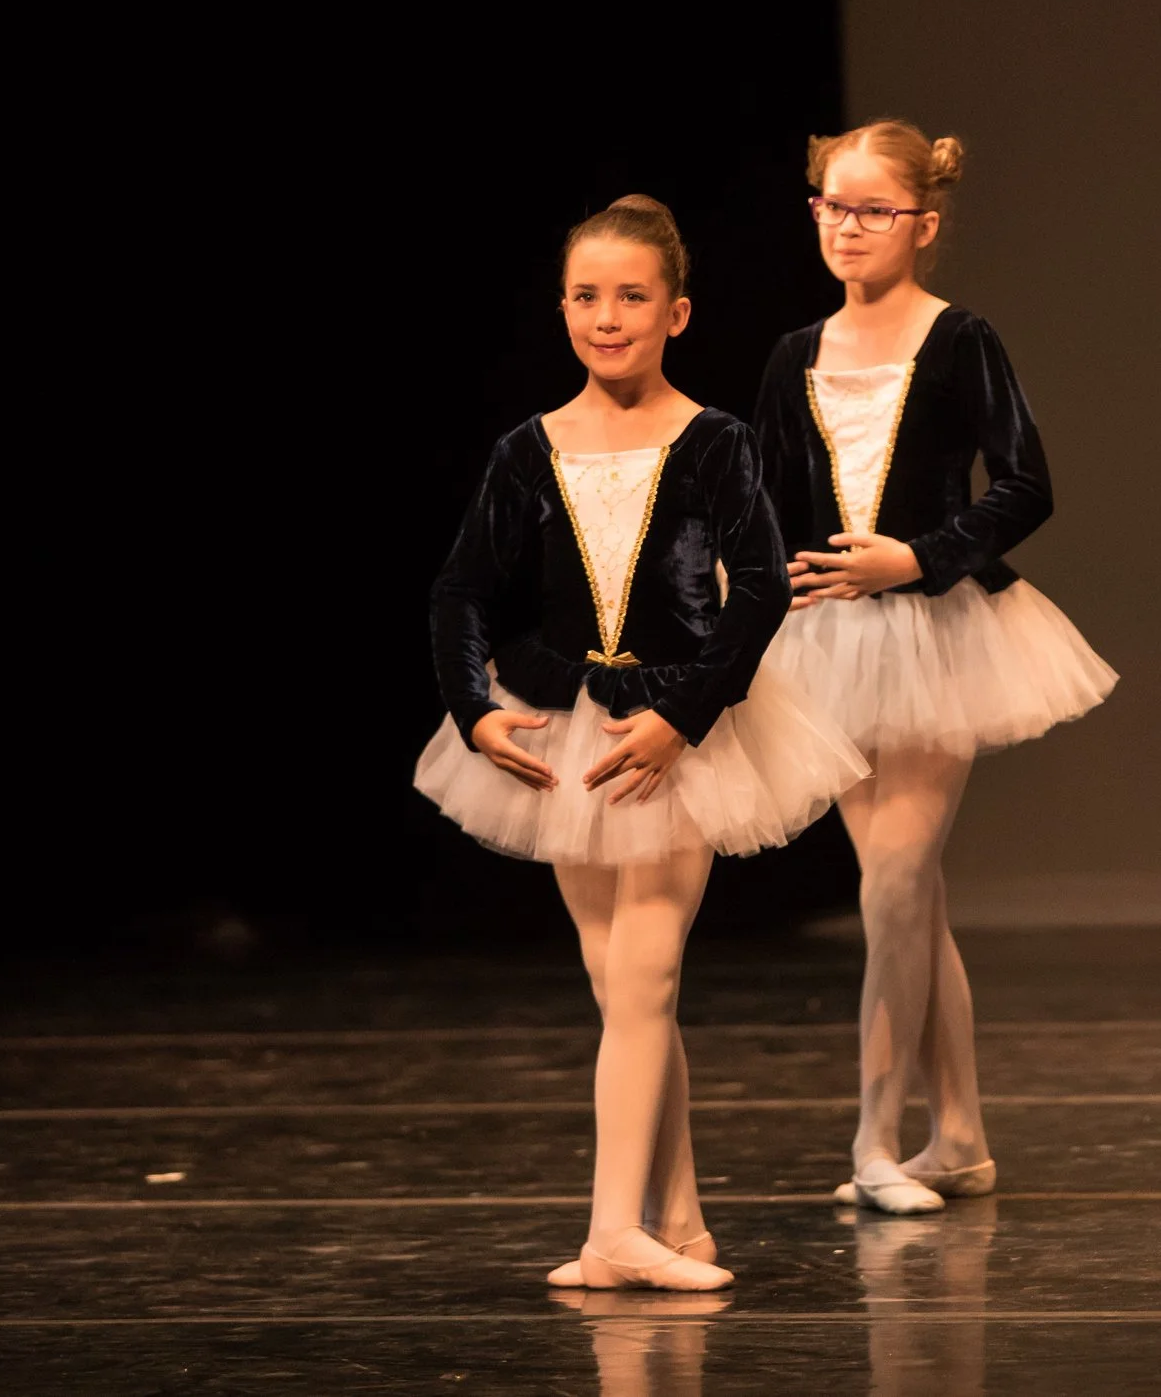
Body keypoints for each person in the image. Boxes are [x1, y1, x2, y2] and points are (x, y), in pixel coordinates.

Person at [416, 195, 866, 1288]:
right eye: (586, 296)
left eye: (631, 296)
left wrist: (683, 717)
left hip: (679, 723)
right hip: (567, 725)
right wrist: (474, 707)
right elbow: (462, 589)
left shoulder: (715, 441)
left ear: (677, 312)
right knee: (619, 986)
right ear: (562, 307)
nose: (606, 317)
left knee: (647, 972)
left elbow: (759, 590)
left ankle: (611, 1231)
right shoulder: (527, 449)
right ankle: (683, 1221)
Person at [757, 122, 1117, 1215]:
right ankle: (957, 1136)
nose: (847, 227)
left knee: (896, 883)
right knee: (909, 900)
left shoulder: (960, 339)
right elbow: (763, 503)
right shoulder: (793, 353)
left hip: (934, 632)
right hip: (827, 642)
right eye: (832, 205)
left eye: (872, 209)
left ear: (923, 222)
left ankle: (873, 1138)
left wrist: (916, 556)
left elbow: (1025, 484)